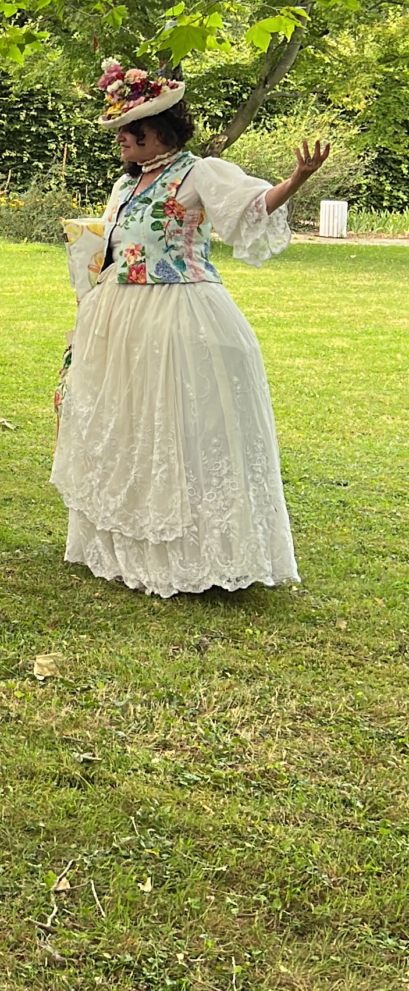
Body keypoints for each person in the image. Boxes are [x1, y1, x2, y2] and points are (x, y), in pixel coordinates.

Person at [51, 59, 330, 599]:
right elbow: (114, 243)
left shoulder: (198, 172)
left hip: (180, 312)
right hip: (122, 314)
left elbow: (249, 208)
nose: (120, 142)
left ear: (159, 129)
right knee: (132, 425)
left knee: (185, 425)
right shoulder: (124, 185)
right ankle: (126, 542)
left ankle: (200, 554)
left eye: (127, 132)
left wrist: (295, 180)